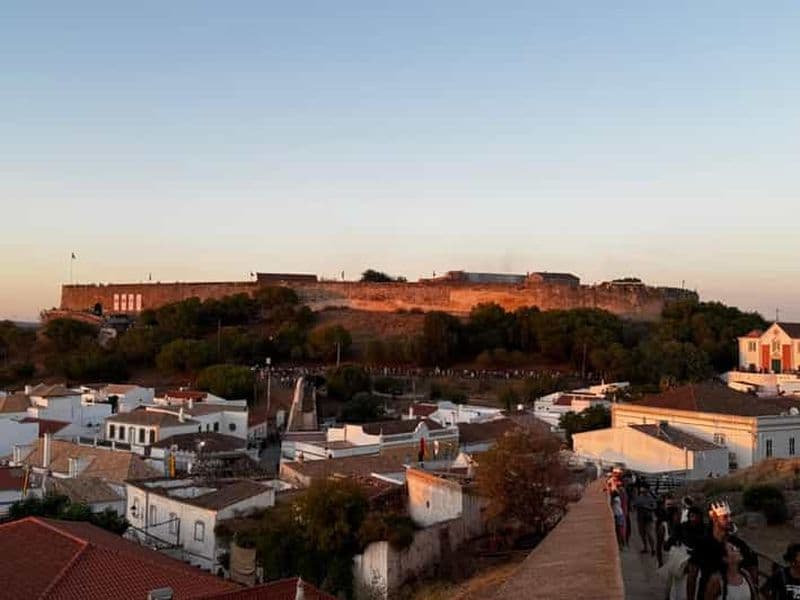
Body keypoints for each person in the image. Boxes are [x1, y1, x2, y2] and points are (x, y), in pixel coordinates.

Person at [687, 501, 757, 600]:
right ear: (714, 518)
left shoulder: (737, 544)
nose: (730, 520)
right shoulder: (702, 544)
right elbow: (692, 574)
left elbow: (751, 567)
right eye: (725, 517)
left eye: (730, 516)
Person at [633, 483, 657, 554]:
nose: (642, 489)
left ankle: (653, 548)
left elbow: (654, 507)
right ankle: (645, 547)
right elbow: (634, 505)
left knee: (649, 534)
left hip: (648, 518)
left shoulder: (651, 497)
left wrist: (646, 507)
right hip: (640, 518)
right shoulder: (638, 497)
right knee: (642, 534)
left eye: (643, 488)